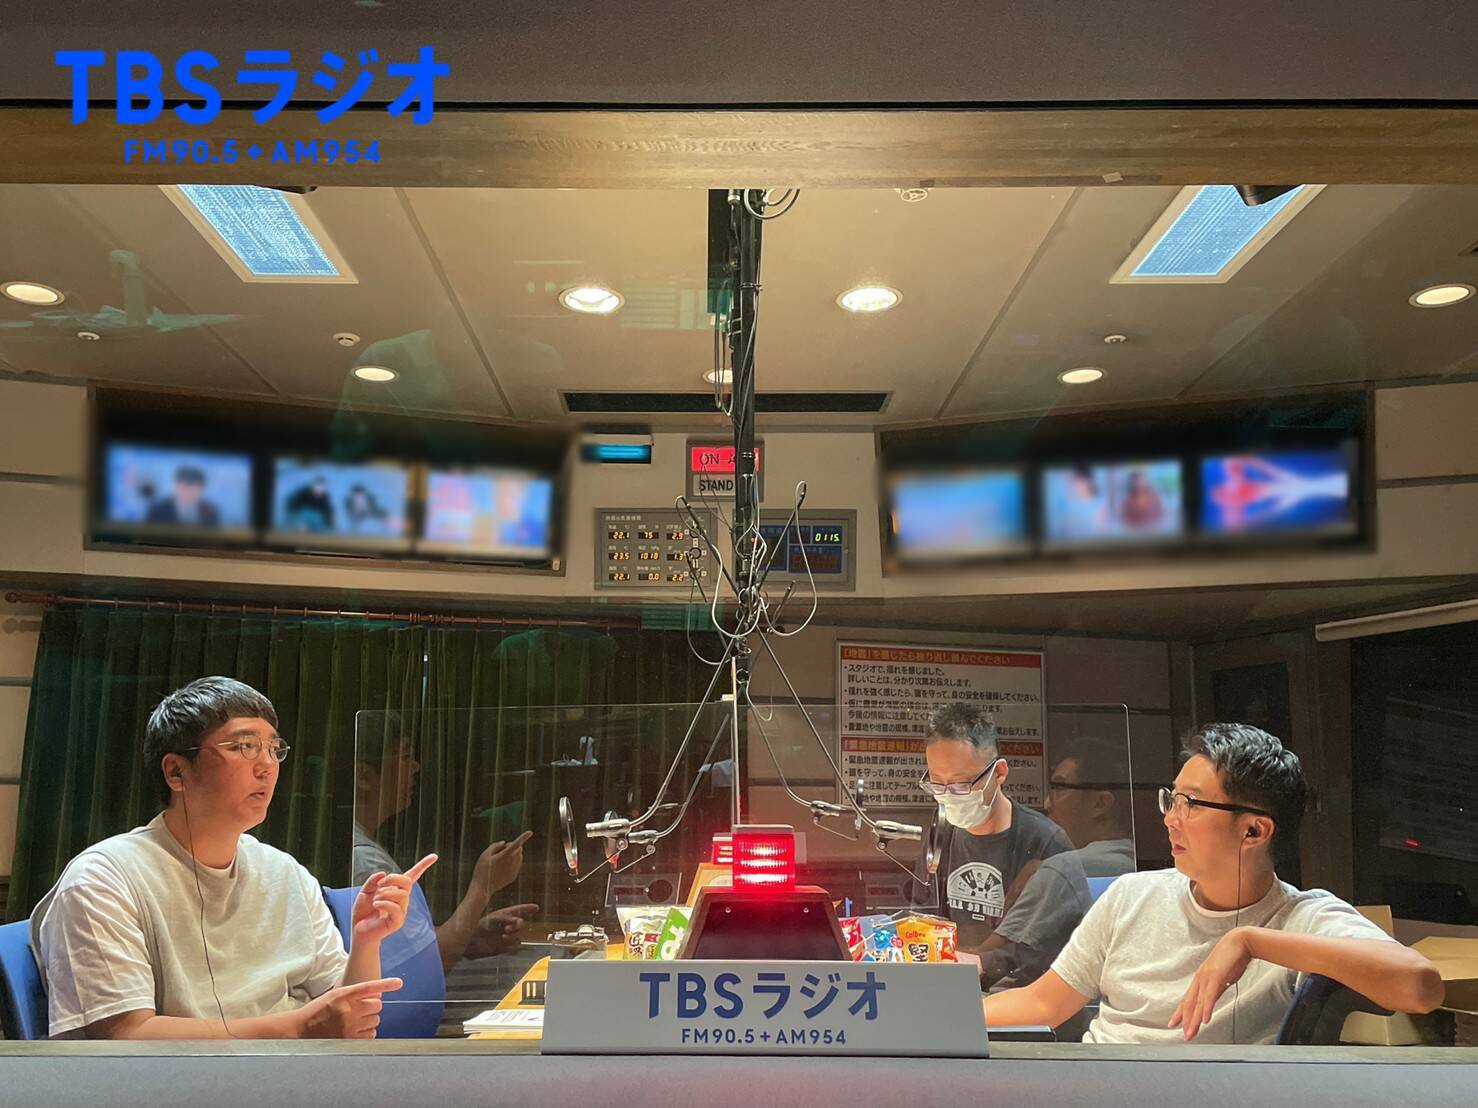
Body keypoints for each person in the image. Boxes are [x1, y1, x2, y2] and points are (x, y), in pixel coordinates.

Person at [983, 722, 1444, 1043]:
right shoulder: (1131, 895)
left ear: (1254, 831)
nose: (1171, 818)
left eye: (1191, 804)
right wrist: (943, 1016)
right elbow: (1044, 1003)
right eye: (1172, 800)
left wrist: (1250, 941)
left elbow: (1421, 986)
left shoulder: (1300, 917)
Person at [31, 676, 431, 1039]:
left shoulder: (284, 872)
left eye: (273, 749)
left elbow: (345, 1014)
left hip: (294, 1076)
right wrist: (299, 1027)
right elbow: (126, 1035)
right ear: (176, 772)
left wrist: (366, 942)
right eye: (244, 747)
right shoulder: (103, 879)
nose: (267, 766)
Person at [352, 713, 539, 973]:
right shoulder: (365, 861)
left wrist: (471, 936)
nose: (416, 767)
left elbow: (410, 944)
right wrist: (482, 887)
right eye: (405, 757)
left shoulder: (365, 846)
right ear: (363, 776)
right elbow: (426, 964)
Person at [922, 704, 1076, 987]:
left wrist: (986, 962)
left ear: (999, 772)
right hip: (949, 988)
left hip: (1020, 996)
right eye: (937, 784)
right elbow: (924, 913)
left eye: (962, 784)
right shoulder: (941, 830)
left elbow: (1058, 946)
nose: (949, 796)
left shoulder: (1045, 842)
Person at [1043, 746, 1136, 876]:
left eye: (1060, 788)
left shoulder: (1061, 869)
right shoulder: (1140, 864)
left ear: (1100, 803)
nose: (1047, 803)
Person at [145, 465, 221, 528]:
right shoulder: (157, 510)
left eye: (192, 486)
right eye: (184, 486)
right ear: (175, 486)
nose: (187, 491)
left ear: (201, 489)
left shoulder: (211, 511)